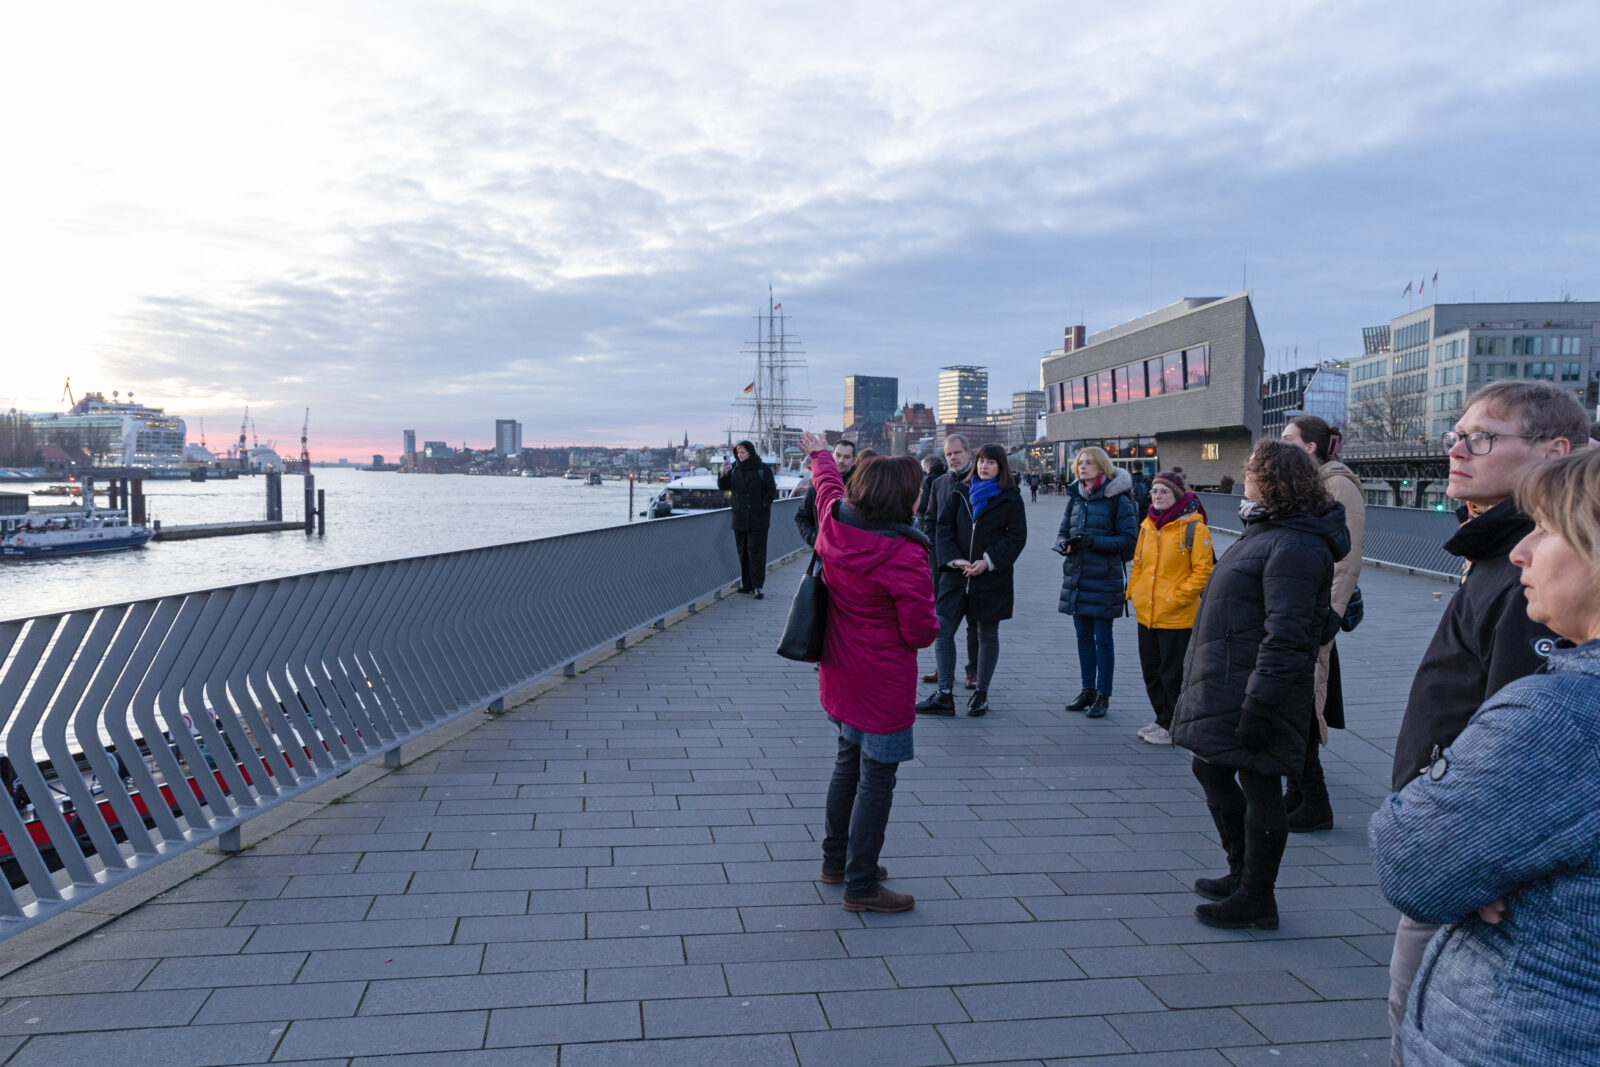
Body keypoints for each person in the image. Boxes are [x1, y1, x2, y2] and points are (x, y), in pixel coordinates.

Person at [1369, 448, 1600, 1067]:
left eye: (1546, 530)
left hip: (1528, 1034)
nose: (1521, 552)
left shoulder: (1563, 712)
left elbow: (1413, 860)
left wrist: (1469, 854)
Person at [1171, 440, 1348, 930]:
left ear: (1270, 479)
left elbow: (1289, 633)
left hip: (1254, 685)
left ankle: (1256, 896)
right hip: (1231, 677)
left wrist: (1260, 704)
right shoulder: (1269, 529)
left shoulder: (1293, 543)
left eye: (1250, 469)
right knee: (1212, 770)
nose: (1244, 475)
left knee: (1260, 781)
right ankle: (1240, 873)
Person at [801, 430, 938, 915]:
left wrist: (819, 452)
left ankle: (836, 862)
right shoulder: (905, 554)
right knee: (876, 781)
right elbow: (921, 633)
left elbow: (826, 487)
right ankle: (861, 885)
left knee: (846, 765)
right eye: (917, 488)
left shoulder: (834, 524)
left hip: (839, 669)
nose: (922, 494)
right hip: (882, 683)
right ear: (900, 497)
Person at [1279, 415, 1365, 832]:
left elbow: (1345, 558)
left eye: (1288, 438)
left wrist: (1329, 612)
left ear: (1310, 447)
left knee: (1304, 702)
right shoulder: (1315, 482)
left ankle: (1314, 801)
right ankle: (1299, 796)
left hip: (1317, 613)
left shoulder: (1337, 484)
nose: (1282, 443)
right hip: (1307, 608)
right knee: (1296, 701)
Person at [918, 444, 1028, 716]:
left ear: (1001, 467)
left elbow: (1016, 537)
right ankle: (944, 693)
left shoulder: (1011, 497)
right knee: (942, 631)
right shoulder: (960, 491)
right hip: (955, 576)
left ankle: (981, 693)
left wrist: (988, 561)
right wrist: (955, 559)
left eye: (991, 462)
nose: (984, 466)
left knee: (987, 634)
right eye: (981, 461)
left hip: (991, 579)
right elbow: (943, 527)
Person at [1125, 469, 1213, 746]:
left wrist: (1179, 598)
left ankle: (1174, 724)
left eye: (1164, 491)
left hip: (1177, 616)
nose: (1158, 496)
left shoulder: (1194, 528)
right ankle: (1162, 718)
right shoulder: (1147, 526)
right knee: (1151, 671)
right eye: (1154, 491)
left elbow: (1203, 571)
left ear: (1176, 495)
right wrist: (1134, 593)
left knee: (1172, 673)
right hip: (1147, 612)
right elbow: (1138, 562)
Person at [1055, 447, 1138, 718]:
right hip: (1077, 577)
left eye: (1089, 463)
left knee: (1103, 639)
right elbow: (1062, 532)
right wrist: (1064, 545)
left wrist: (1094, 542)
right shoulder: (1076, 498)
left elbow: (1129, 541)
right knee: (1082, 638)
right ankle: (1087, 689)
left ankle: (1104, 694)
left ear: (1102, 468)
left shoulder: (1118, 500)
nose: (1083, 467)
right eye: (1080, 463)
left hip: (1104, 578)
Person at [920, 435, 980, 690]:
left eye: (957, 452)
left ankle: (973, 671)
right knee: (943, 622)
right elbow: (929, 519)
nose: (953, 458)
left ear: (969, 453)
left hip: (977, 565)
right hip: (945, 563)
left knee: (974, 623)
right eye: (948, 454)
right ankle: (943, 667)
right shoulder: (939, 483)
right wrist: (934, 553)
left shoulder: (981, 480)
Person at [716, 440, 777, 599]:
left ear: (750, 452)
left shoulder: (762, 469)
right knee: (743, 552)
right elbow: (723, 486)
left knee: (756, 552)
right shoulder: (734, 469)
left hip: (758, 518)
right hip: (740, 517)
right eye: (738, 453)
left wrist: (762, 505)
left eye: (743, 452)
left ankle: (757, 586)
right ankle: (747, 584)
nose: (740, 455)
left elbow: (771, 491)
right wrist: (723, 472)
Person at [796, 439, 856, 546]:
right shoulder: (816, 489)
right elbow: (801, 517)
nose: (841, 460)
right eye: (838, 455)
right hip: (823, 553)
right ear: (831, 456)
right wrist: (814, 539)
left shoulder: (861, 488)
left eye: (847, 457)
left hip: (852, 553)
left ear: (853, 461)